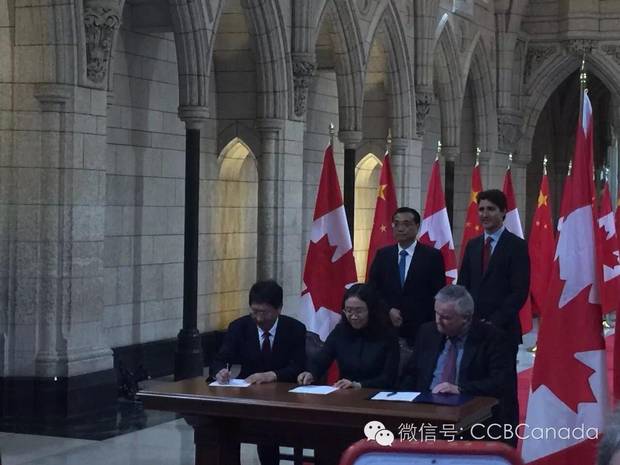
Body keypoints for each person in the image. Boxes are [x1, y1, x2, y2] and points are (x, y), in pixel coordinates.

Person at [400, 285, 513, 443]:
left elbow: (500, 382)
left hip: (472, 416)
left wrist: (460, 389)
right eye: (436, 313)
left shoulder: (492, 339)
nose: (438, 321)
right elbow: (411, 373)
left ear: (466, 318)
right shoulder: (427, 332)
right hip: (426, 412)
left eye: (446, 317)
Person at [457, 189, 529, 439]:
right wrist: (467, 319)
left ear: (503, 213)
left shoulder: (516, 246)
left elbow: (519, 292)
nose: (485, 214)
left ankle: (506, 439)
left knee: (504, 388)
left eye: (490, 209)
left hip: (502, 330)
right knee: (475, 383)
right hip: (472, 329)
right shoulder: (473, 245)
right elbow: (463, 286)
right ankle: (476, 435)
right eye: (481, 209)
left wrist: (493, 321)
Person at [211, 279, 306, 465]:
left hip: (283, 399)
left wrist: (272, 375)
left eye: (264, 313)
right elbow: (220, 358)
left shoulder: (294, 329)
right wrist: (220, 372)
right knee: (222, 426)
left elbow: (299, 366)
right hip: (248, 396)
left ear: (279, 309)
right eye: (254, 312)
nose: (259, 318)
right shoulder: (239, 327)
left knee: (268, 432)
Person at [367, 206, 445, 345]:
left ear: (417, 226)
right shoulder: (383, 255)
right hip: (387, 327)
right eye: (396, 224)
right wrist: (388, 310)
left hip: (420, 329)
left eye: (406, 224)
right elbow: (372, 290)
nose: (400, 228)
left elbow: (438, 293)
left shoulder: (432, 256)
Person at [297, 283, 399, 389]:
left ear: (371, 310)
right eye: (349, 311)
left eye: (359, 311)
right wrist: (310, 373)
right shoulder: (340, 332)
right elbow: (322, 360)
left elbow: (389, 378)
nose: (353, 316)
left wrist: (359, 385)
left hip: (376, 398)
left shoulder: (387, 335)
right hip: (345, 396)